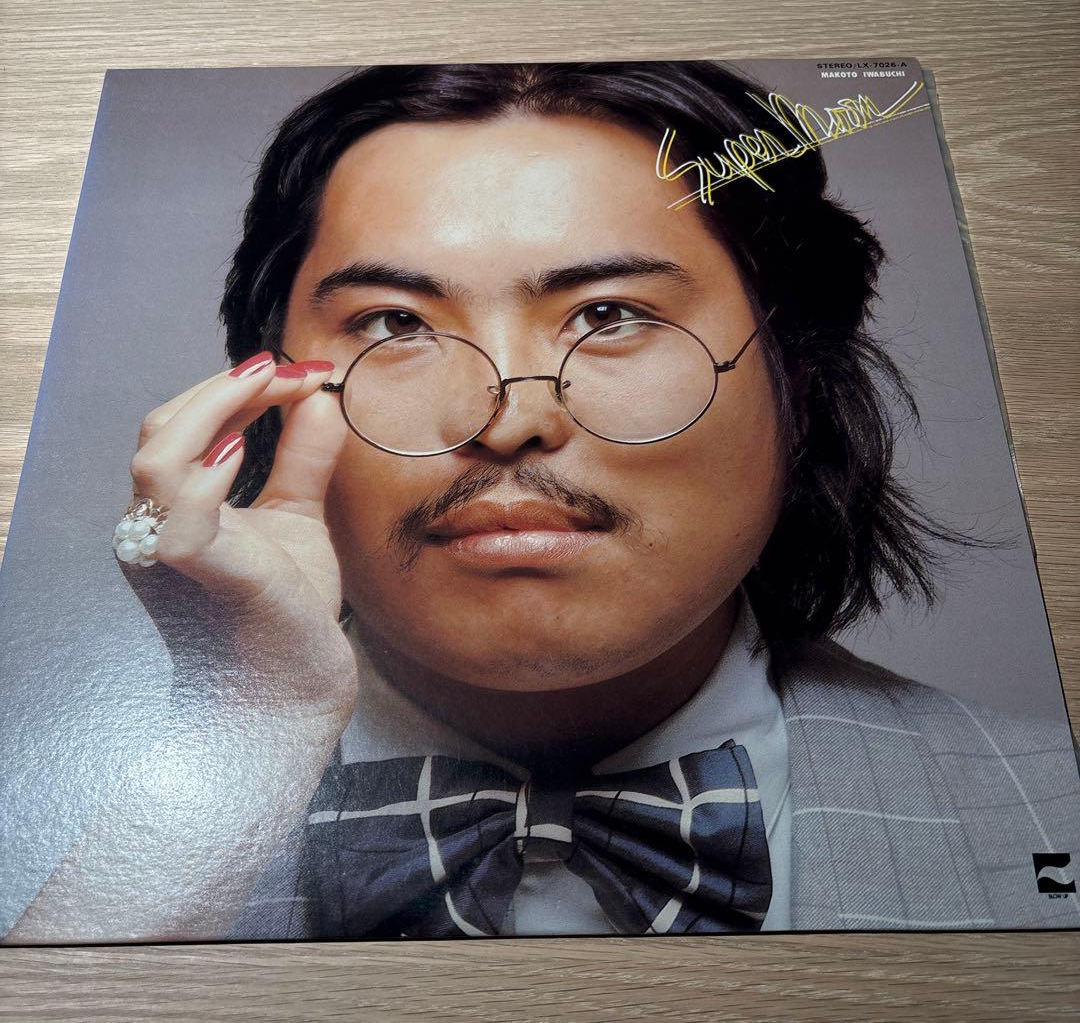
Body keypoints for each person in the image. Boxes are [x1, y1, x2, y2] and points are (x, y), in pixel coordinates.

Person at [7, 62, 1078, 943]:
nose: (507, 418)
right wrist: (254, 723)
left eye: (610, 314)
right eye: (393, 324)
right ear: (268, 389)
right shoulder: (58, 830)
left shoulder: (1048, 806)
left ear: (796, 377)